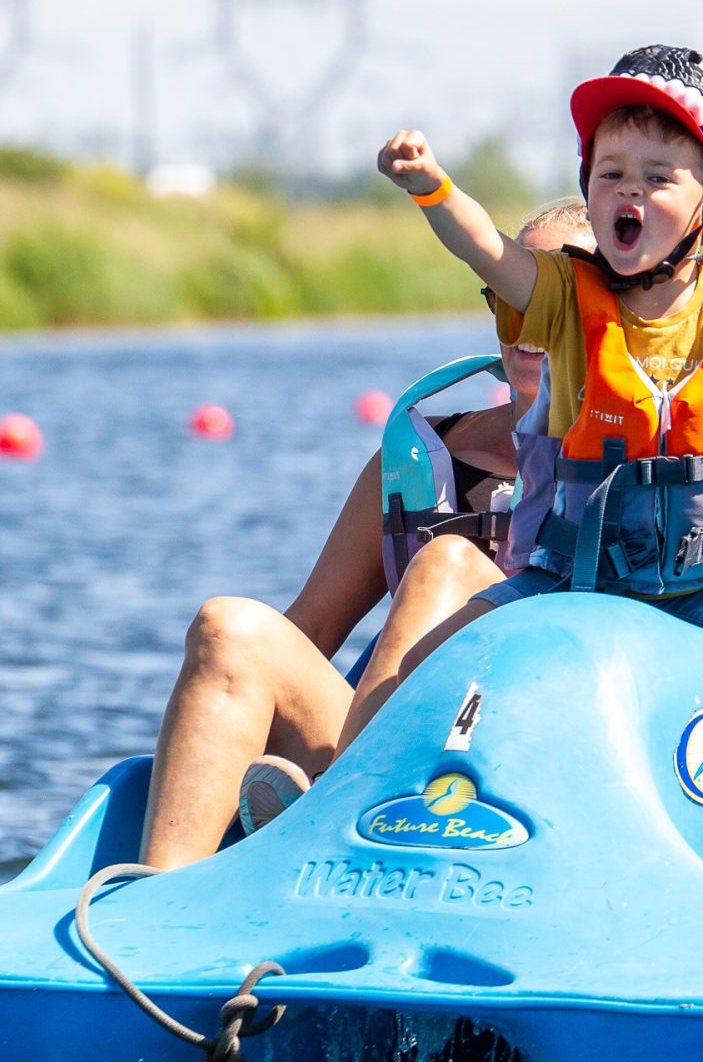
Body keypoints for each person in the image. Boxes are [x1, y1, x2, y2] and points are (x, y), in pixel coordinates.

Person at [377, 45, 703, 831]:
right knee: (423, 667)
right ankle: (348, 799)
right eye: (610, 173)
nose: (629, 188)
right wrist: (433, 190)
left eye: (658, 177)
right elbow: (486, 248)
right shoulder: (561, 294)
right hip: (571, 573)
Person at [135, 200, 595, 870]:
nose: (526, 323)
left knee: (446, 564)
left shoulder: (642, 458)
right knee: (228, 629)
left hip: (546, 765)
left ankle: (325, 823)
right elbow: (309, 630)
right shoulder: (423, 449)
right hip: (391, 746)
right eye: (509, 295)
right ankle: (149, 916)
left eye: (551, 295)